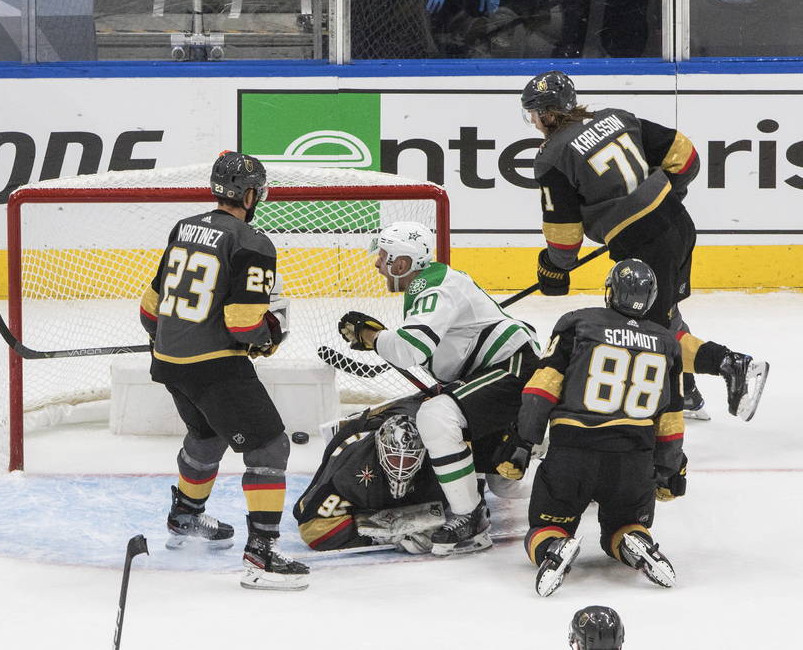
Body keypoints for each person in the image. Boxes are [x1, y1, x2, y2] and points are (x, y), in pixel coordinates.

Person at [521, 70, 769, 421]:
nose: (533, 122)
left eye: (533, 114)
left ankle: (733, 365)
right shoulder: (616, 118)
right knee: (662, 311)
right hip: (679, 225)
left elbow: (565, 240)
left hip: (647, 246)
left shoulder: (552, 156)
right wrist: (662, 196)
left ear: (546, 114)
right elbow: (686, 156)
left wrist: (552, 266)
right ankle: (686, 394)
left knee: (647, 331)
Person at [137, 152, 308, 591]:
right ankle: (262, 556)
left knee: (207, 435)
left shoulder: (184, 227)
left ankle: (186, 516)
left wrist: (171, 339)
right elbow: (244, 324)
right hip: (214, 368)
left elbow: (150, 309)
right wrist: (269, 336)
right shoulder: (252, 242)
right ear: (251, 194)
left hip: (169, 364)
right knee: (270, 447)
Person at [337, 221, 541, 555]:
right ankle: (580, 482)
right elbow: (426, 349)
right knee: (504, 482)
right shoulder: (432, 284)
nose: (377, 263)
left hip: (513, 366)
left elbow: (412, 348)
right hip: (496, 371)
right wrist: (385, 340)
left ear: (401, 264)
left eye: (384, 256)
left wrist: (373, 338)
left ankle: (470, 519)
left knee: (436, 415)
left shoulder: (430, 285)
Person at [494, 260, 683, 596]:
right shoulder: (667, 342)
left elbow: (542, 389)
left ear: (610, 291)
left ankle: (553, 549)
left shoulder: (579, 322)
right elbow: (670, 416)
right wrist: (668, 468)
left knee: (547, 526)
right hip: (633, 460)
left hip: (573, 453)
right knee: (627, 522)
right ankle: (634, 542)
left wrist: (522, 441)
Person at [294, 399, 448, 552]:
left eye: (409, 459)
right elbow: (312, 530)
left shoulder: (437, 454)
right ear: (380, 450)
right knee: (304, 511)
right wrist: (380, 537)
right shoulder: (353, 468)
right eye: (394, 458)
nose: (401, 468)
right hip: (362, 432)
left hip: (416, 409)